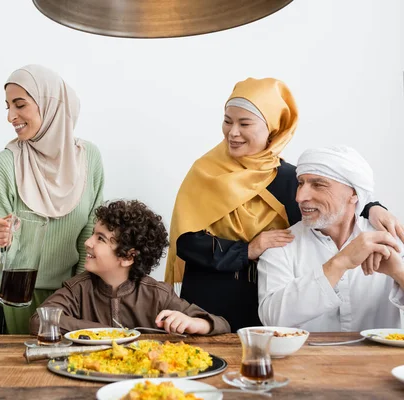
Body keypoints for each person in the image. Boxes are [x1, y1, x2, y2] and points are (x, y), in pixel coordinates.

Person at [165, 78, 404, 332]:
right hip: (212, 302)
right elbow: (186, 242)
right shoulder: (205, 174)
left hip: (269, 306)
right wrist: (248, 249)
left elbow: (337, 199)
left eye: (244, 123)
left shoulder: (290, 177)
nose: (233, 132)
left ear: (272, 127)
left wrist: (373, 207)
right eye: (227, 121)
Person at [0, 65, 104, 334]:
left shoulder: (89, 158)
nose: (11, 116)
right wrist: (0, 242)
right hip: (14, 298)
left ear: (50, 105)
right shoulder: (3, 164)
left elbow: (91, 235)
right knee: (15, 375)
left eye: (20, 105)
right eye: (8, 106)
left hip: (70, 297)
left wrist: (79, 293)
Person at [29, 200, 230, 335]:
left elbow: (222, 324)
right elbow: (40, 319)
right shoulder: (77, 289)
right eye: (93, 234)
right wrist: (110, 334)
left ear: (127, 256)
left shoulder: (157, 294)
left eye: (100, 239)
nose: (88, 242)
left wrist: (197, 323)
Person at [258, 146, 404, 331]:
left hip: (384, 360)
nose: (299, 197)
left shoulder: (393, 238)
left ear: (354, 194)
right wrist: (340, 262)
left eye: (318, 185)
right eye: (300, 183)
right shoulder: (281, 244)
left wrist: (398, 273)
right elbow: (272, 319)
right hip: (307, 360)